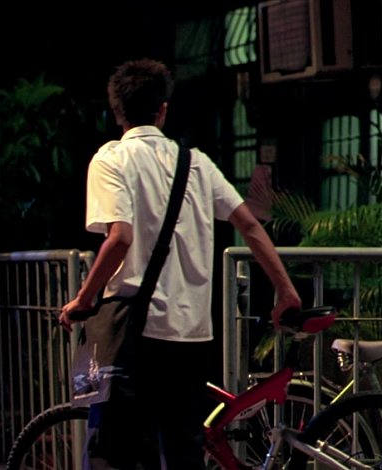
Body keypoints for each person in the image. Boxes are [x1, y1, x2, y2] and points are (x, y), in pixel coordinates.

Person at [59, 58, 302, 469]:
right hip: (192, 335)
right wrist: (286, 290)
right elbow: (249, 224)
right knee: (184, 452)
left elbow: (120, 238)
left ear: (116, 112)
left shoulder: (110, 160)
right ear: (163, 110)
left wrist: (83, 299)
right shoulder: (197, 163)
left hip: (138, 334)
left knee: (121, 453)